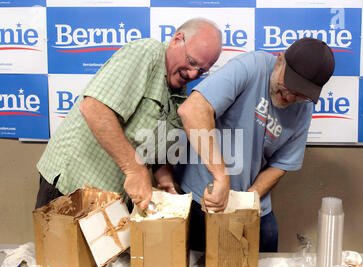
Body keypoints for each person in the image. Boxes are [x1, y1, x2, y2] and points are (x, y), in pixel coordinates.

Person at [35, 18, 222, 210]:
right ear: (177, 39)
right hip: (72, 185)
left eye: (202, 71)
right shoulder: (147, 52)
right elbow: (93, 108)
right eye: (191, 62)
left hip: (110, 200)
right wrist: (134, 169)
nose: (192, 74)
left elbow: (152, 147)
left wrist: (163, 176)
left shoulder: (179, 92)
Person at [175, 37, 335, 252]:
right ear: (280, 61)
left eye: (301, 94)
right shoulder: (251, 66)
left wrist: (246, 201)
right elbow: (192, 110)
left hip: (250, 200)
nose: (290, 96)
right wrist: (221, 176)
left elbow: (281, 164)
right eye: (289, 86)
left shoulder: (304, 108)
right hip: (202, 196)